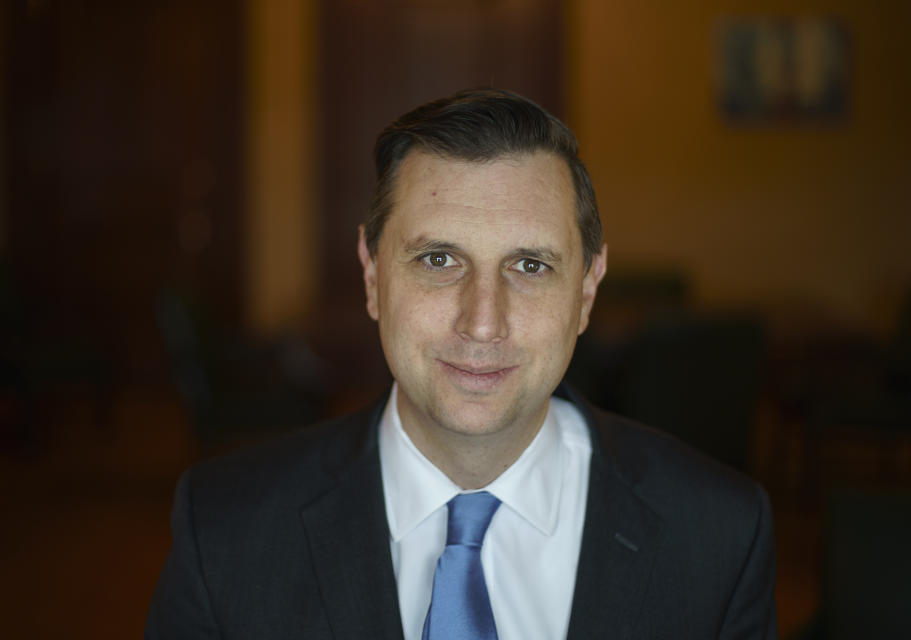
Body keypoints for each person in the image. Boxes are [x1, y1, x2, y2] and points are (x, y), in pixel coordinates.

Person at [146, 88, 777, 639]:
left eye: (530, 266)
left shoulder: (720, 533)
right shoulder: (224, 530)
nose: (482, 322)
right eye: (438, 260)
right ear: (372, 276)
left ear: (586, 290)